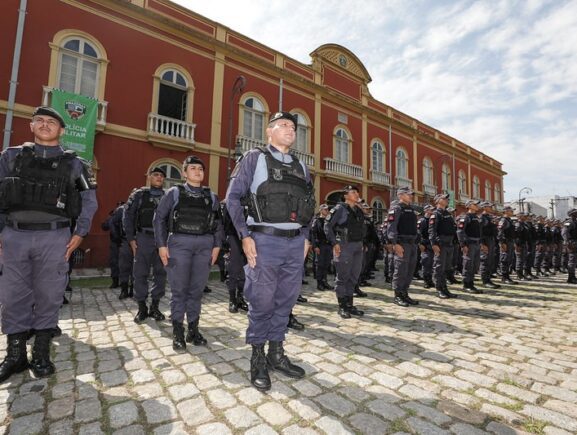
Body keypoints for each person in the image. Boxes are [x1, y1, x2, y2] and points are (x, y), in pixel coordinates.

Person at [0, 106, 97, 382]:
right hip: (13, 235)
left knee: (49, 294)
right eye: (39, 120)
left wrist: (80, 233)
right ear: (31, 126)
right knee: (11, 296)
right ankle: (15, 355)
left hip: (55, 236)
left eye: (51, 122)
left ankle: (41, 353)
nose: (44, 125)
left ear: (61, 130)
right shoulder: (11, 157)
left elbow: (89, 200)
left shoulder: (75, 164)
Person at [226, 112, 314, 391]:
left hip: (294, 242)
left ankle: (277, 353)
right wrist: (244, 236)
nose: (290, 129)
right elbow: (232, 198)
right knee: (262, 301)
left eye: (293, 126)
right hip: (264, 241)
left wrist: (306, 238)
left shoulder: (301, 166)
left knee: (286, 301)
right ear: (269, 131)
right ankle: (257, 357)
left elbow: (309, 205)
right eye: (284, 125)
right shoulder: (254, 158)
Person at [153, 156, 223, 352]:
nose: (197, 171)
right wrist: (161, 245)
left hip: (204, 244)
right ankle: (177, 333)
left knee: (196, 290)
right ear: (184, 173)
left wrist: (217, 246)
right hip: (179, 244)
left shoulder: (212, 196)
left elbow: (218, 223)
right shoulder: (173, 193)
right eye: (192, 168)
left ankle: (193, 330)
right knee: (179, 290)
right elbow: (159, 219)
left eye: (200, 168)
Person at [124, 167, 167, 324]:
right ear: (149, 177)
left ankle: (154, 306)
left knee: (160, 274)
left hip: (162, 241)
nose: (159, 177)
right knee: (140, 273)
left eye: (162, 176)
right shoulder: (139, 195)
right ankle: (142, 308)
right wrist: (131, 239)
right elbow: (128, 216)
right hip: (143, 238)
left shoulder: (167, 196)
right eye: (156, 175)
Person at [324, 185, 367, 317]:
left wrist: (362, 243)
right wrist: (334, 243)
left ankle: (349, 305)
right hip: (344, 245)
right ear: (346, 196)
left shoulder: (358, 210)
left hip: (357, 246)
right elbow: (327, 225)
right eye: (353, 192)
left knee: (353, 277)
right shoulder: (339, 209)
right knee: (343, 277)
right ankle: (342, 306)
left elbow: (361, 228)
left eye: (357, 192)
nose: (356, 194)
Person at [386, 187, 419, 307]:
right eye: (408, 194)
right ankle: (398, 295)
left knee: (410, 270)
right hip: (402, 243)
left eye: (411, 194)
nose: (410, 196)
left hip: (412, 243)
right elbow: (391, 228)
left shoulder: (411, 209)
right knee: (400, 270)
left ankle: (405, 292)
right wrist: (395, 243)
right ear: (400, 195)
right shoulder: (396, 208)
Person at [429, 194, 458, 299]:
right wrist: (434, 244)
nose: (447, 200)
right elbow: (432, 231)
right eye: (444, 198)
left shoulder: (448, 214)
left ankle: (445, 288)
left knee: (446, 267)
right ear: (437, 201)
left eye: (447, 199)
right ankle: (439, 289)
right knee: (439, 267)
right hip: (441, 243)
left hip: (449, 244)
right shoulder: (436, 214)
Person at [456, 200, 484, 294]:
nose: (477, 206)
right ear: (469, 206)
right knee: (468, 264)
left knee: (475, 265)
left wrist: (480, 242)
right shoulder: (465, 217)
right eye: (475, 204)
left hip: (476, 243)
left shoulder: (476, 217)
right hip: (469, 244)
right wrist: (463, 244)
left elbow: (478, 231)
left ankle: (471, 283)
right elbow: (460, 231)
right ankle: (466, 284)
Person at [311, 204, 334, 291]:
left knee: (326, 265)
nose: (327, 211)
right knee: (320, 265)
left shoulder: (329, 221)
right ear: (321, 211)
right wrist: (315, 246)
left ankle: (325, 282)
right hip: (320, 245)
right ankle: (319, 283)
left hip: (328, 245)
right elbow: (313, 234)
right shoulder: (316, 221)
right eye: (325, 210)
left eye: (327, 210)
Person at [479, 202, 500, 289]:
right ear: (484, 207)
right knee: (485, 261)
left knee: (490, 261)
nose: (491, 207)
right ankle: (485, 280)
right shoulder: (482, 218)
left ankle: (488, 279)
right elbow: (480, 232)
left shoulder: (489, 217)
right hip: (485, 240)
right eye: (489, 206)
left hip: (491, 240)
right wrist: (482, 244)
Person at [497, 206, 518, 284]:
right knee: (504, 259)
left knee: (509, 259)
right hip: (506, 242)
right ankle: (504, 277)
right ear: (505, 211)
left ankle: (507, 276)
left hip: (510, 241)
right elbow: (500, 232)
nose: (512, 212)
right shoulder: (503, 220)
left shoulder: (509, 220)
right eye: (510, 211)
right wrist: (502, 243)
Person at [418, 205, 435, 289]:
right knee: (426, 263)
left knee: (431, 263)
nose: (432, 211)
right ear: (426, 211)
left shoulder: (433, 220)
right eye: (430, 210)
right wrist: (420, 244)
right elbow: (419, 233)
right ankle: (426, 281)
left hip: (432, 244)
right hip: (425, 244)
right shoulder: (422, 221)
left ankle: (430, 280)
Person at [561, 208, 577, 284]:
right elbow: (564, 233)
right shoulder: (568, 222)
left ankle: (573, 276)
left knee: (574, 261)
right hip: (571, 243)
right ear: (571, 214)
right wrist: (568, 242)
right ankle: (570, 278)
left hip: (575, 243)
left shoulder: (575, 222)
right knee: (572, 261)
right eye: (575, 213)